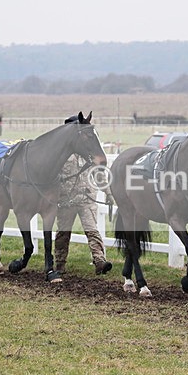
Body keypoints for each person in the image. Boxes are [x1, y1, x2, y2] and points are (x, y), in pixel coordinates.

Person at [54, 115, 112, 275]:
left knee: (92, 231)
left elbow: (99, 174)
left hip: (87, 198)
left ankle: (100, 261)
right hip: (66, 201)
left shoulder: (89, 151)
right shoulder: (61, 153)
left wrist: (108, 192)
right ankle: (59, 264)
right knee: (62, 235)